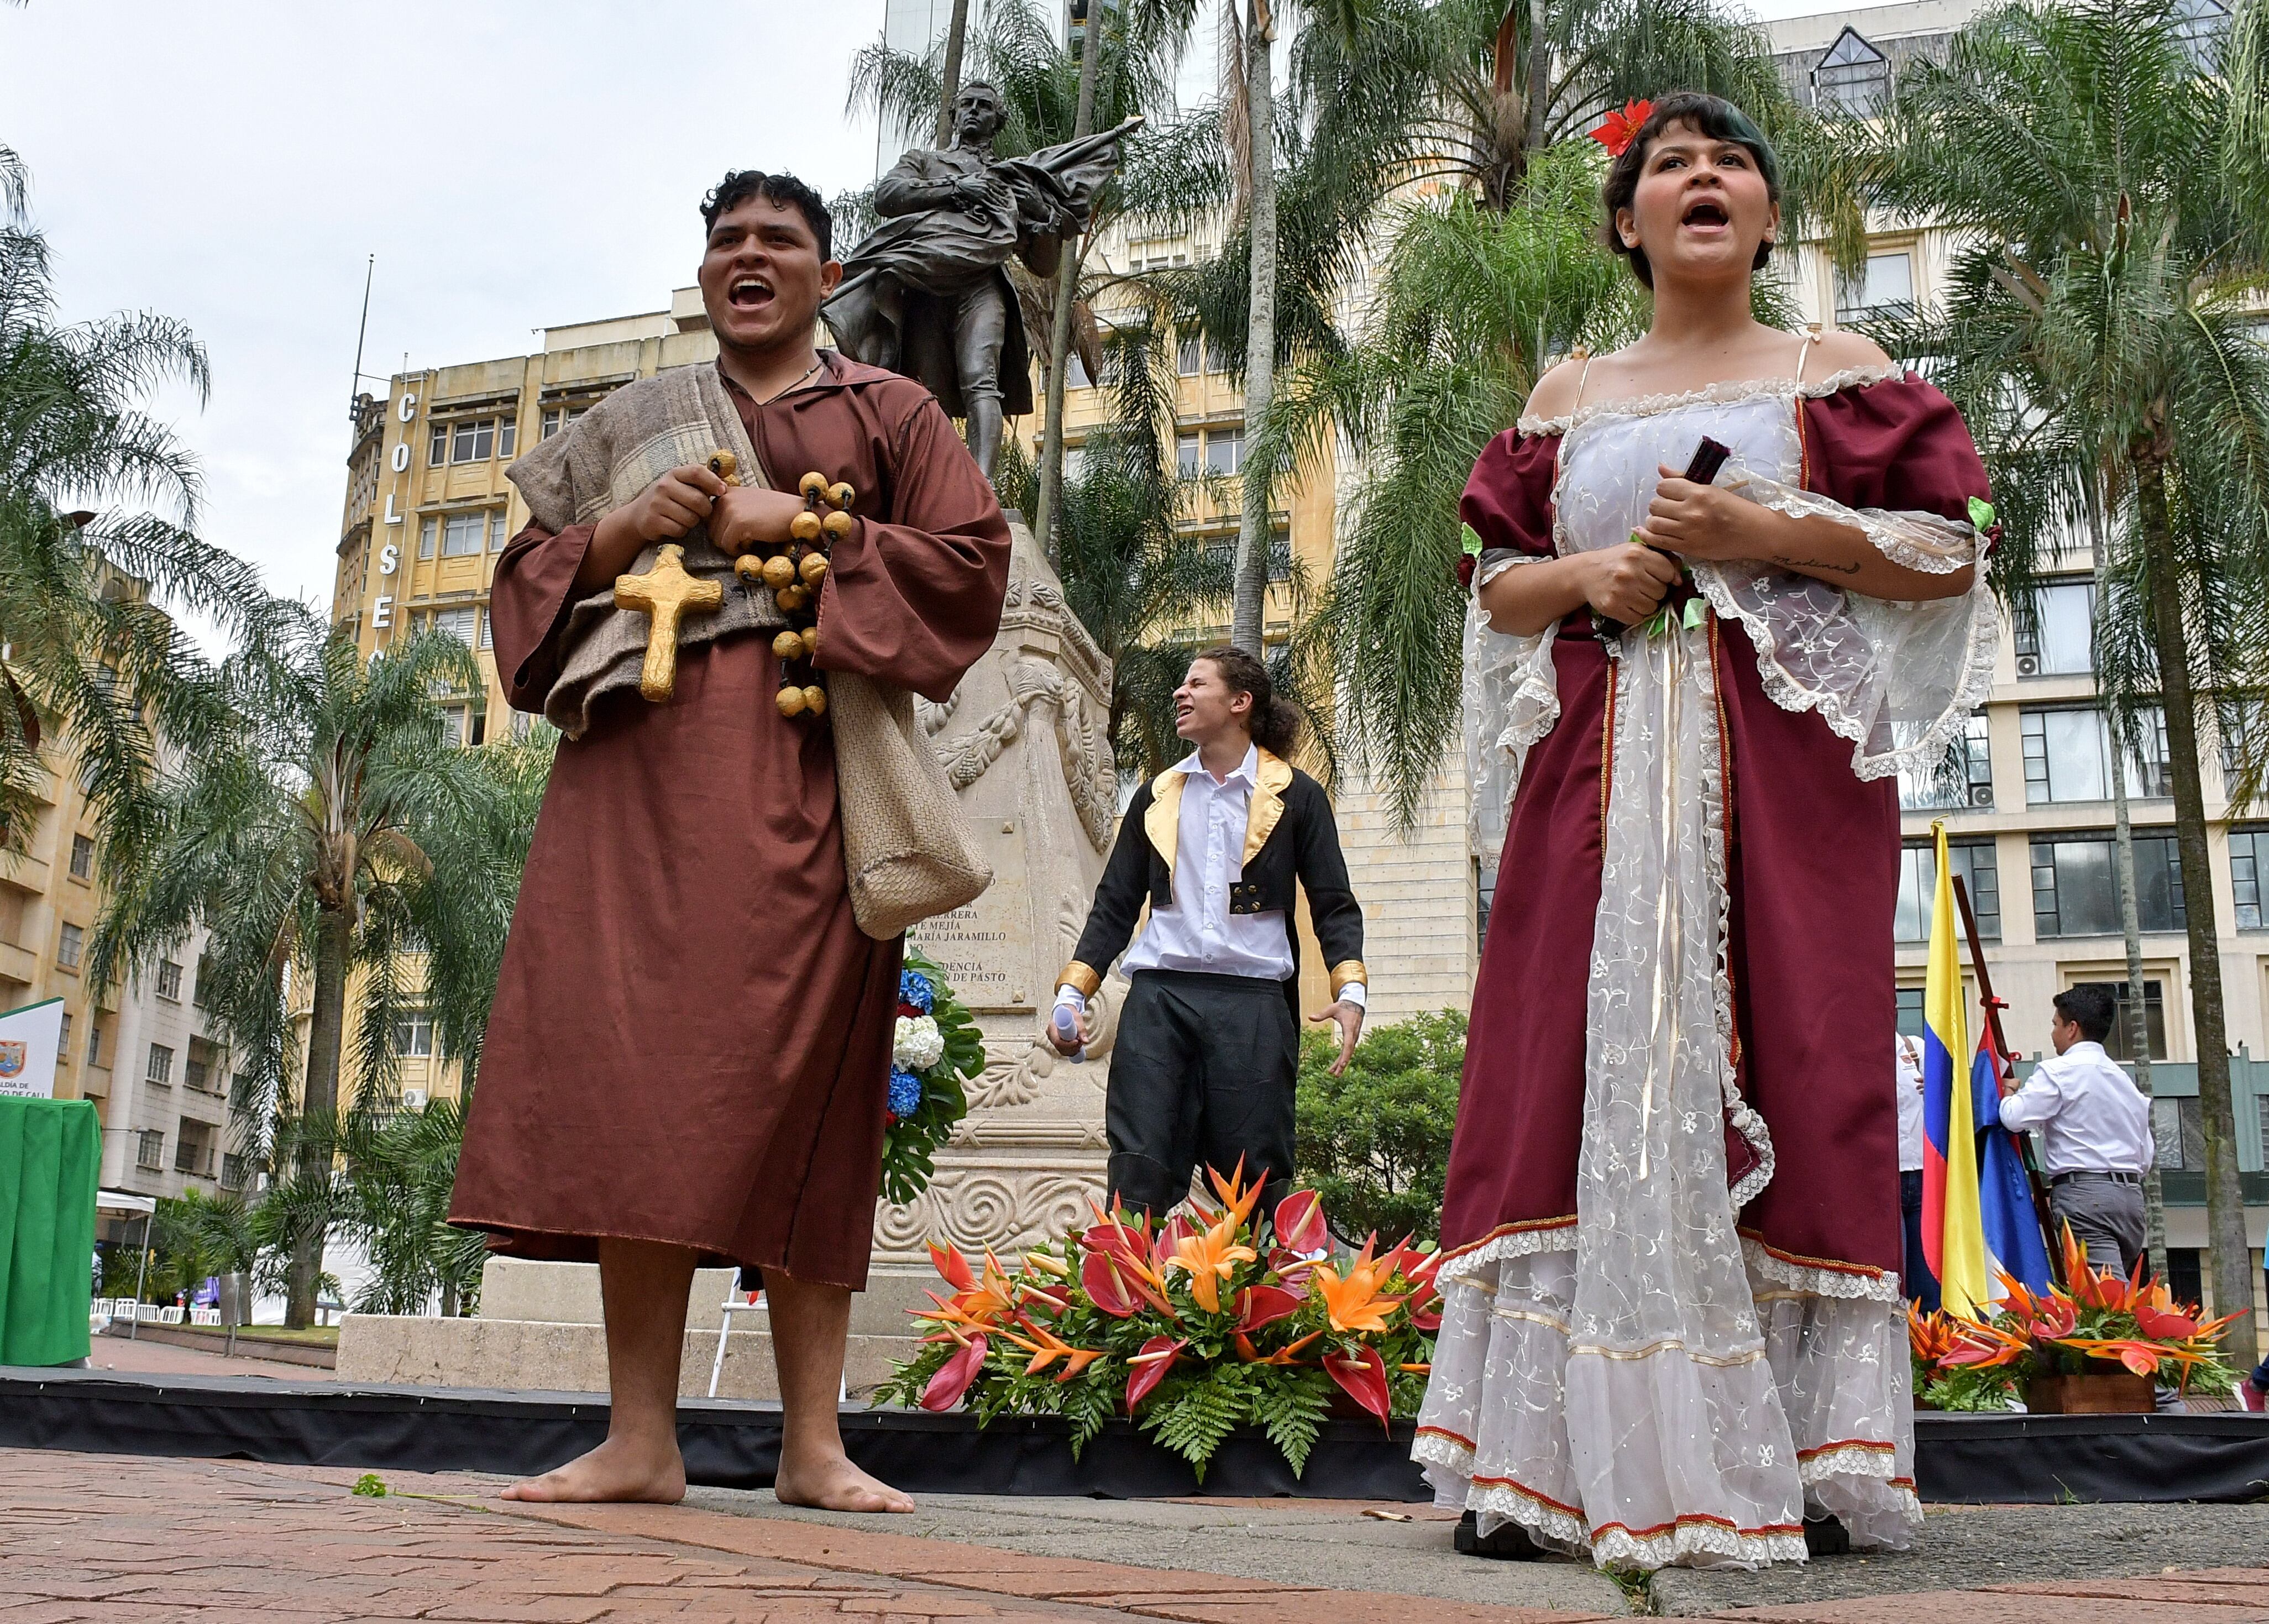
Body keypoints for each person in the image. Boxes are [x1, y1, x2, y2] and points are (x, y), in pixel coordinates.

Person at [1419, 92, 1998, 1571]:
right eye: (1668, 164)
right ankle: (1541, 1470)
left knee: (1790, 1063)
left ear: (1764, 212)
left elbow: (1944, 553)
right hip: (1596, 790)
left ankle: (1800, 1459)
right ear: (1626, 222)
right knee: (1573, 1072)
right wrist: (1596, 573)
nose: (1701, 176)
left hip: (1778, 793)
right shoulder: (1567, 392)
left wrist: (1759, 534)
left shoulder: (1839, 368)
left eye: (1729, 160)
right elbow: (1491, 582)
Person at [447, 169, 1012, 1510]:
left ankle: (812, 1444)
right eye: (727, 241)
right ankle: (641, 1439)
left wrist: (807, 532)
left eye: (779, 240)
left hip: (811, 775)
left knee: (811, 1092)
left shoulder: (890, 409)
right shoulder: (632, 421)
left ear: (826, 275)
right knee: (634, 1094)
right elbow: (521, 595)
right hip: (629, 784)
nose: (748, 256)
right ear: (705, 275)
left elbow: (972, 566)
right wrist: (612, 536)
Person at [1049, 648, 1366, 1219]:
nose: (1180, 692)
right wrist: (1074, 991)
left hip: (1252, 1007)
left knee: (1253, 1180)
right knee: (1137, 1166)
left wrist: (1350, 993)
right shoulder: (1155, 796)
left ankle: (1252, 1303)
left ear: (1239, 703)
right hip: (1158, 1001)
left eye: (1197, 683)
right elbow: (1115, 904)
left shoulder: (1297, 796)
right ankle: (1126, 1303)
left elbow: (1333, 904)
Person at [824, 80, 1140, 479]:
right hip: (925, 284)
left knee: (981, 380)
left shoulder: (1015, 178)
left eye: (984, 106)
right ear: (955, 115)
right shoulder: (925, 162)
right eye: (967, 105)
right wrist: (957, 188)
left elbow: (1043, 266)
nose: (974, 110)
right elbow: (888, 195)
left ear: (997, 120)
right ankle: (927, 488)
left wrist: (1039, 211)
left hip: (982, 285)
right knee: (924, 392)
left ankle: (982, 488)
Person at [1995, 984, 2153, 1279]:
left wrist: (2007, 1093)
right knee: (2110, 1295)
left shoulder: (2057, 1071)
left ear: (2072, 1029)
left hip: (2086, 1198)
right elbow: (2146, 1157)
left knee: (2101, 1300)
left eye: (2055, 1024)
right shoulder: (2125, 1083)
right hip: (2130, 1200)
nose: (2053, 1032)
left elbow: (2014, 1118)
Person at [1896, 1034, 1939, 1312]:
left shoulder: (1915, 1048)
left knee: (1928, 1275)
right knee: (1893, 1272)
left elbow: (1949, 1094)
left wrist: (1938, 1086)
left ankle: (1929, 1348)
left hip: (1924, 1176)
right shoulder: (1854, 1052)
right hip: (1884, 1180)